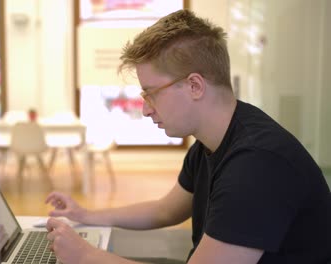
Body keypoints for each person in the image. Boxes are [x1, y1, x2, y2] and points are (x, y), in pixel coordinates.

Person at [44, 9, 331, 264]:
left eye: (151, 93)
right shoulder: (212, 142)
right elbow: (163, 211)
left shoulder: (257, 165)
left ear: (194, 85)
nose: (145, 109)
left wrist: (86, 256)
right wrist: (86, 215)